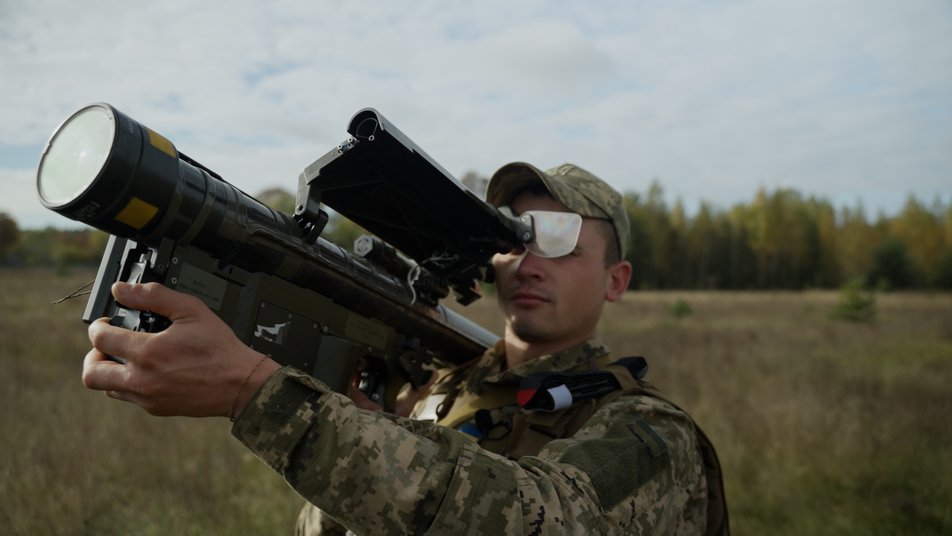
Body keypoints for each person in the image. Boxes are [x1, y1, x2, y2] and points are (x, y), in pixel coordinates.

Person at [83, 162, 728, 535]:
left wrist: (258, 394)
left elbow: (543, 518)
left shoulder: (648, 431)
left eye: (560, 244)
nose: (528, 262)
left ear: (616, 280)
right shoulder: (437, 391)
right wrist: (366, 432)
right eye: (513, 239)